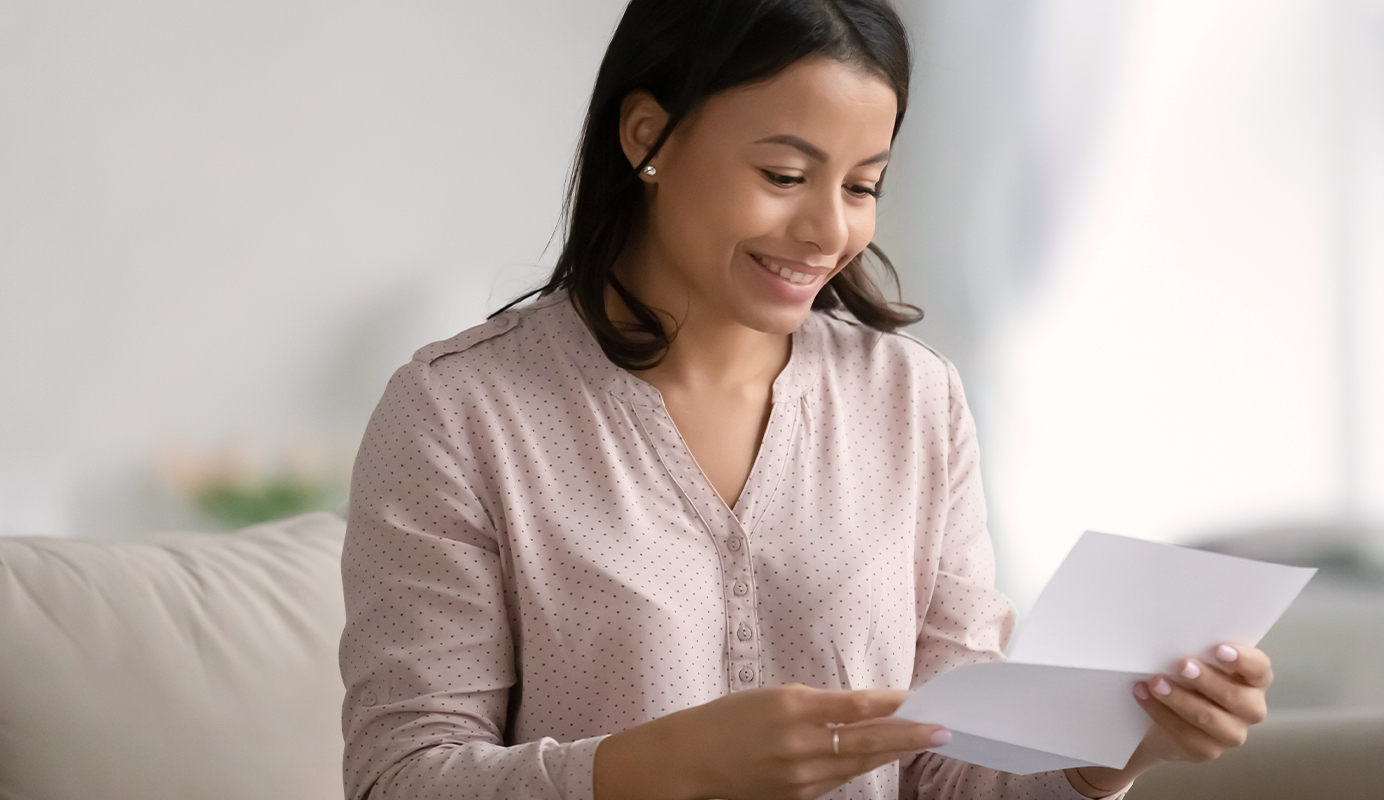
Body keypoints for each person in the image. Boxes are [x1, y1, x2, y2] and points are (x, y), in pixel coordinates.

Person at [338, 1, 1275, 798]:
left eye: (863, 185)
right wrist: (659, 764)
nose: (830, 230)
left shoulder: (916, 400)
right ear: (647, 137)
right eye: (783, 176)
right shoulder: (460, 412)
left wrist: (1119, 745)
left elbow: (948, 771)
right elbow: (402, 775)